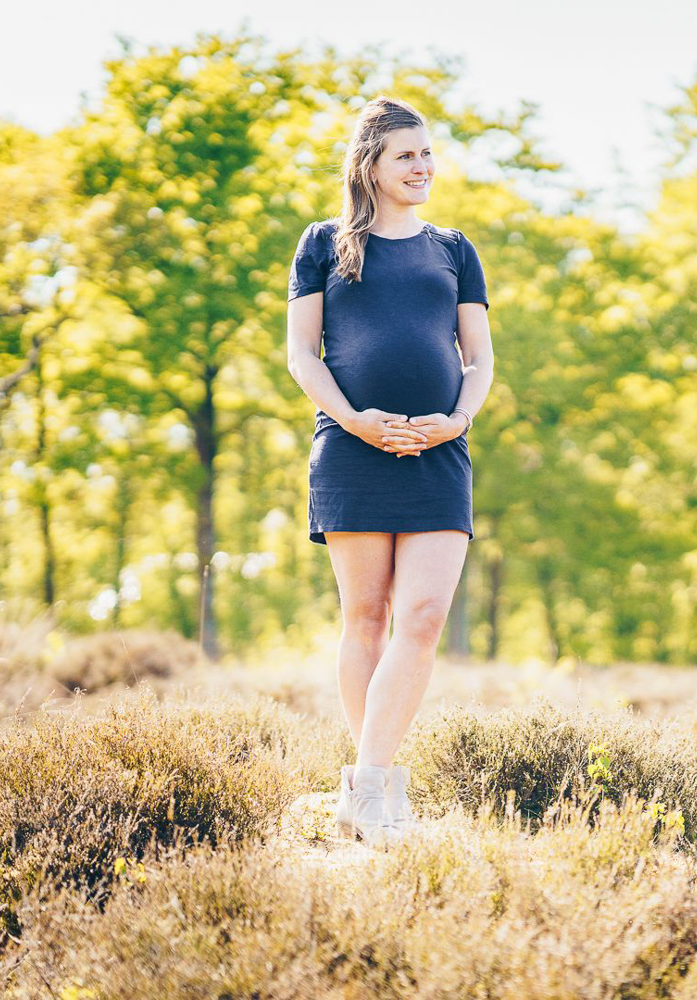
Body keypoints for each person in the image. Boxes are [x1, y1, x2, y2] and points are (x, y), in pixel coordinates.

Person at [285, 95, 493, 849]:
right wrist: (357, 421)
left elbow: (481, 357)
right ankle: (374, 794)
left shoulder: (454, 248)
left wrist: (458, 419)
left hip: (440, 454)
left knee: (425, 617)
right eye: (407, 154)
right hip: (350, 449)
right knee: (366, 620)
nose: (423, 167)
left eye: (428, 154)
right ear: (369, 164)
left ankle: (366, 786)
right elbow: (303, 355)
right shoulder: (323, 243)